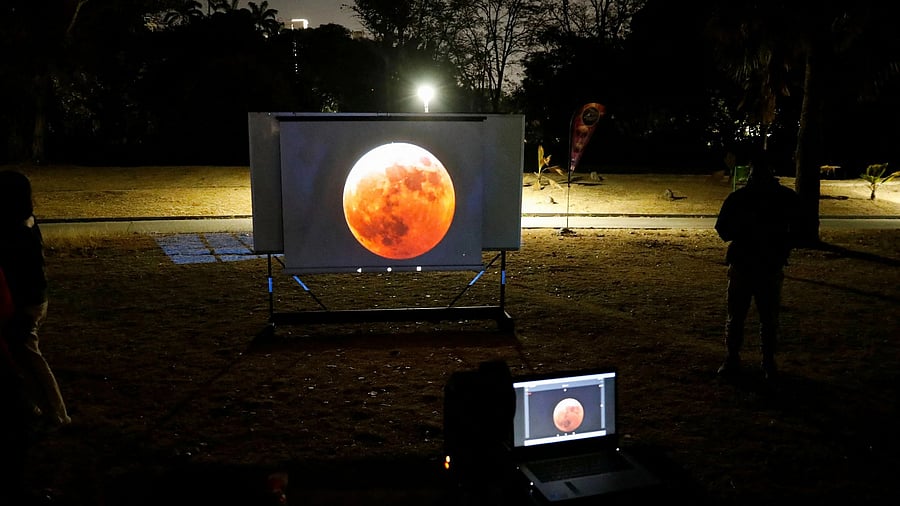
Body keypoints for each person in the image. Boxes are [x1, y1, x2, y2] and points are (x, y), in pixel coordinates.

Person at [714, 158, 801, 381]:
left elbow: (723, 229)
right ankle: (765, 362)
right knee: (766, 318)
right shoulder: (784, 197)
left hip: (748, 263)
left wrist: (744, 232)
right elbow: (800, 229)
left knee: (739, 316)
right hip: (766, 264)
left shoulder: (740, 198)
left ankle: (735, 359)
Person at [0, 169, 71, 427]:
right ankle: (30, 405)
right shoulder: (26, 223)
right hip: (31, 300)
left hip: (25, 303)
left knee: (29, 356)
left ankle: (56, 413)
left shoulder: (15, 231)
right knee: (19, 356)